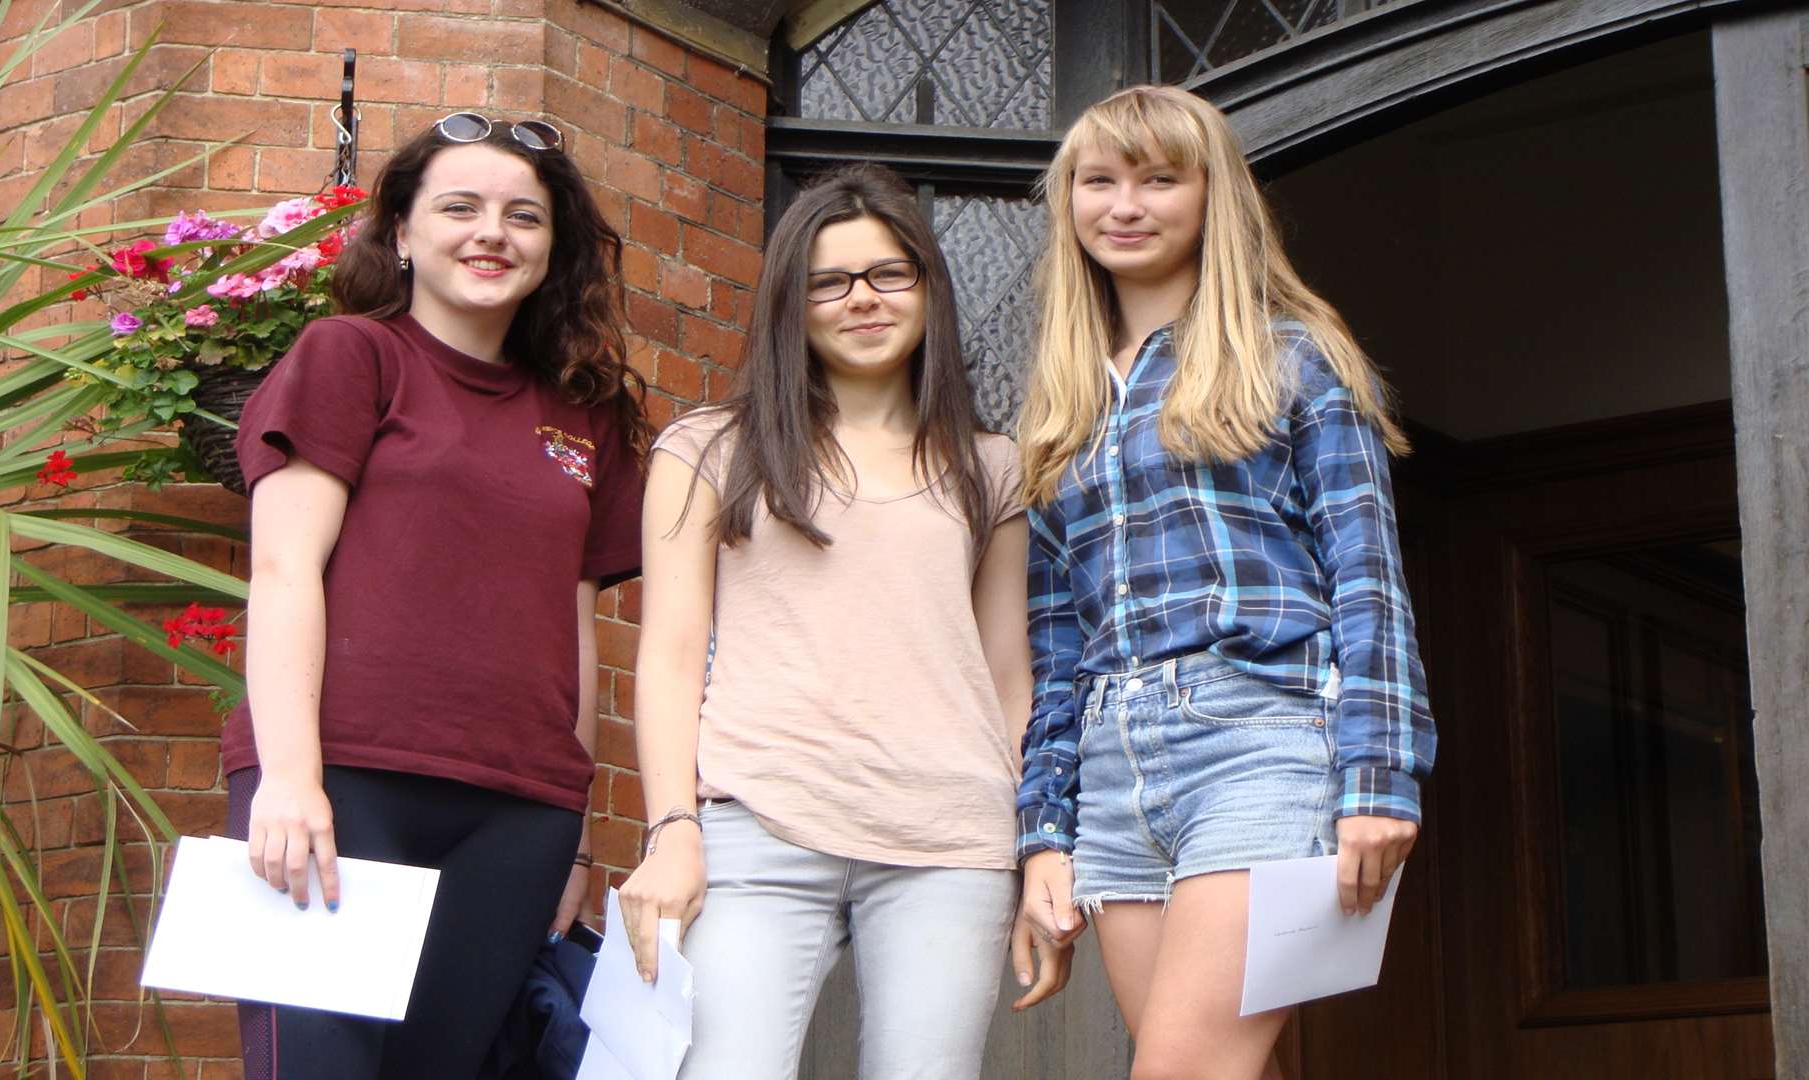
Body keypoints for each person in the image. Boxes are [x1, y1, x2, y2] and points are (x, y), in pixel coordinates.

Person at [1014, 85, 1437, 1080]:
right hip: (1116, 779)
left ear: (1214, 198)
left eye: (1161, 178)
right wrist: (1044, 830)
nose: (1126, 203)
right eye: (1100, 179)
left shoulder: (1294, 360)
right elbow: (1056, 649)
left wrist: (1378, 776)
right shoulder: (1060, 407)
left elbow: (1369, 580)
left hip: (1262, 743)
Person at [616, 163, 1070, 1080]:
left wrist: (1039, 849)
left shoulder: (992, 467)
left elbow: (1007, 671)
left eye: (887, 273)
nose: (861, 299)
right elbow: (666, 657)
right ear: (794, 303)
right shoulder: (708, 448)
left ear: (928, 289)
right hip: (760, 818)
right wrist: (672, 828)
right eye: (829, 281)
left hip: (952, 837)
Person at [221, 111, 649, 1080]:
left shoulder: (584, 418)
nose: (491, 233)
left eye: (522, 217)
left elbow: (577, 628)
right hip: (344, 783)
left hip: (517, 816)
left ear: (553, 249)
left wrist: (576, 835)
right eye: (459, 207)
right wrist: (289, 776)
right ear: (404, 234)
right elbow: (284, 569)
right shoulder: (349, 357)